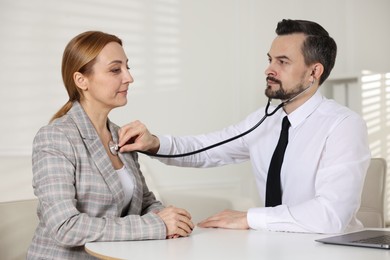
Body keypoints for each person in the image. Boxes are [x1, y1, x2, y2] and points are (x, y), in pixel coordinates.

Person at [117, 19, 371, 234]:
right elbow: (206, 149)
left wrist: (249, 218)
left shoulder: (343, 126)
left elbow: (332, 214)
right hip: (274, 243)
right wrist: (154, 143)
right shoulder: (265, 120)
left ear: (314, 72)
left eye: (282, 62)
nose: (268, 70)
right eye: (270, 59)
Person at [27, 31, 194, 259]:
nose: (129, 77)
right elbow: (65, 226)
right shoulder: (56, 137)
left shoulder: (121, 135)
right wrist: (157, 225)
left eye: (127, 67)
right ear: (81, 80)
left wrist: (169, 220)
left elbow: (145, 202)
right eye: (116, 70)